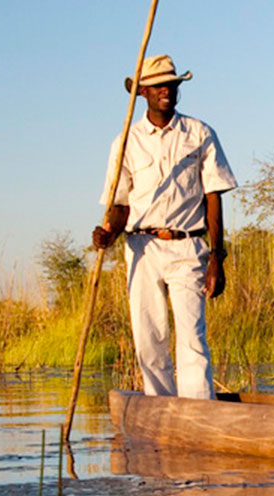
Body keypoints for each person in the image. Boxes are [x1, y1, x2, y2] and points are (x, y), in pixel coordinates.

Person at [92, 54, 237, 400]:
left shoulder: (199, 134)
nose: (166, 91)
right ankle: (159, 410)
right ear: (142, 91)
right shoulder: (126, 142)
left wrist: (217, 256)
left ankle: (197, 412)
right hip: (142, 248)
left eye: (171, 84)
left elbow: (213, 195)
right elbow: (121, 204)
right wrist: (109, 233)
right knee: (149, 338)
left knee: (192, 338)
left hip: (188, 245)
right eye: (158, 86)